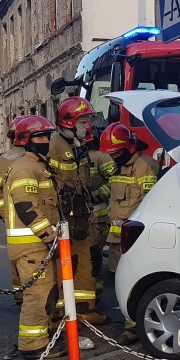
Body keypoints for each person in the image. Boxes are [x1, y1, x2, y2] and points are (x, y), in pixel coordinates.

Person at [2, 116, 66, 359]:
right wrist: (49, 236)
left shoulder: (38, 164)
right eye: (39, 137)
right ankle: (32, 346)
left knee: (47, 292)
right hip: (32, 246)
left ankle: (41, 337)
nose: (45, 140)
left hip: (39, 244)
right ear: (25, 140)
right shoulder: (25, 168)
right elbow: (27, 208)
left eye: (47, 136)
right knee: (38, 295)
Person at [48, 96, 109, 326]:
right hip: (62, 217)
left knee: (84, 262)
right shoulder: (55, 145)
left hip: (80, 216)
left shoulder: (78, 145)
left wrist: (88, 207)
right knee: (64, 265)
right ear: (68, 122)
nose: (87, 126)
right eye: (83, 121)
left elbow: (82, 181)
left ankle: (85, 310)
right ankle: (60, 313)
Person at [100, 123, 158, 344]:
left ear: (129, 148)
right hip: (116, 240)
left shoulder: (146, 167)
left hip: (137, 239)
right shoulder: (117, 165)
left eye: (115, 152)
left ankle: (136, 327)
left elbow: (150, 203)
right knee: (120, 282)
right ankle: (129, 323)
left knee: (139, 282)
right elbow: (113, 195)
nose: (112, 157)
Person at [0, 116, 27, 306]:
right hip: (17, 223)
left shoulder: (43, 157)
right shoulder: (5, 162)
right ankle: (21, 296)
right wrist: (6, 214)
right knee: (18, 259)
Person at [85, 126, 115, 299]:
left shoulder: (102, 158)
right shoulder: (74, 157)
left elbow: (115, 179)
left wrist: (97, 194)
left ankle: (95, 295)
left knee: (94, 256)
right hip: (81, 216)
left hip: (98, 214)